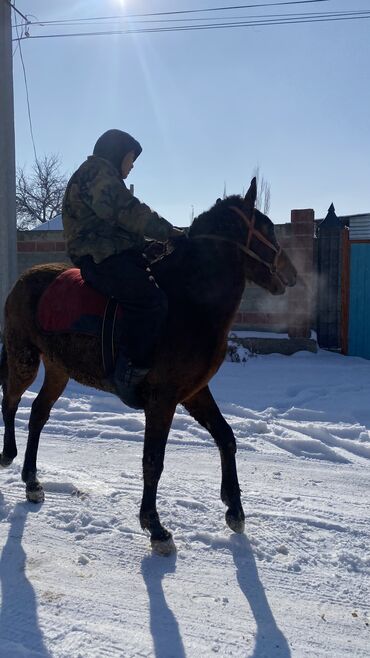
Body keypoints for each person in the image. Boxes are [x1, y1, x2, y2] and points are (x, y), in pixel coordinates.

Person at [62, 129, 186, 404]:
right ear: (117, 154)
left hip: (112, 252)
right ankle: (128, 371)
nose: (131, 168)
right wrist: (169, 232)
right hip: (99, 257)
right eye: (130, 160)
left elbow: (118, 226)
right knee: (150, 301)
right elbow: (126, 211)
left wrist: (143, 246)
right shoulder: (97, 173)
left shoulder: (102, 175)